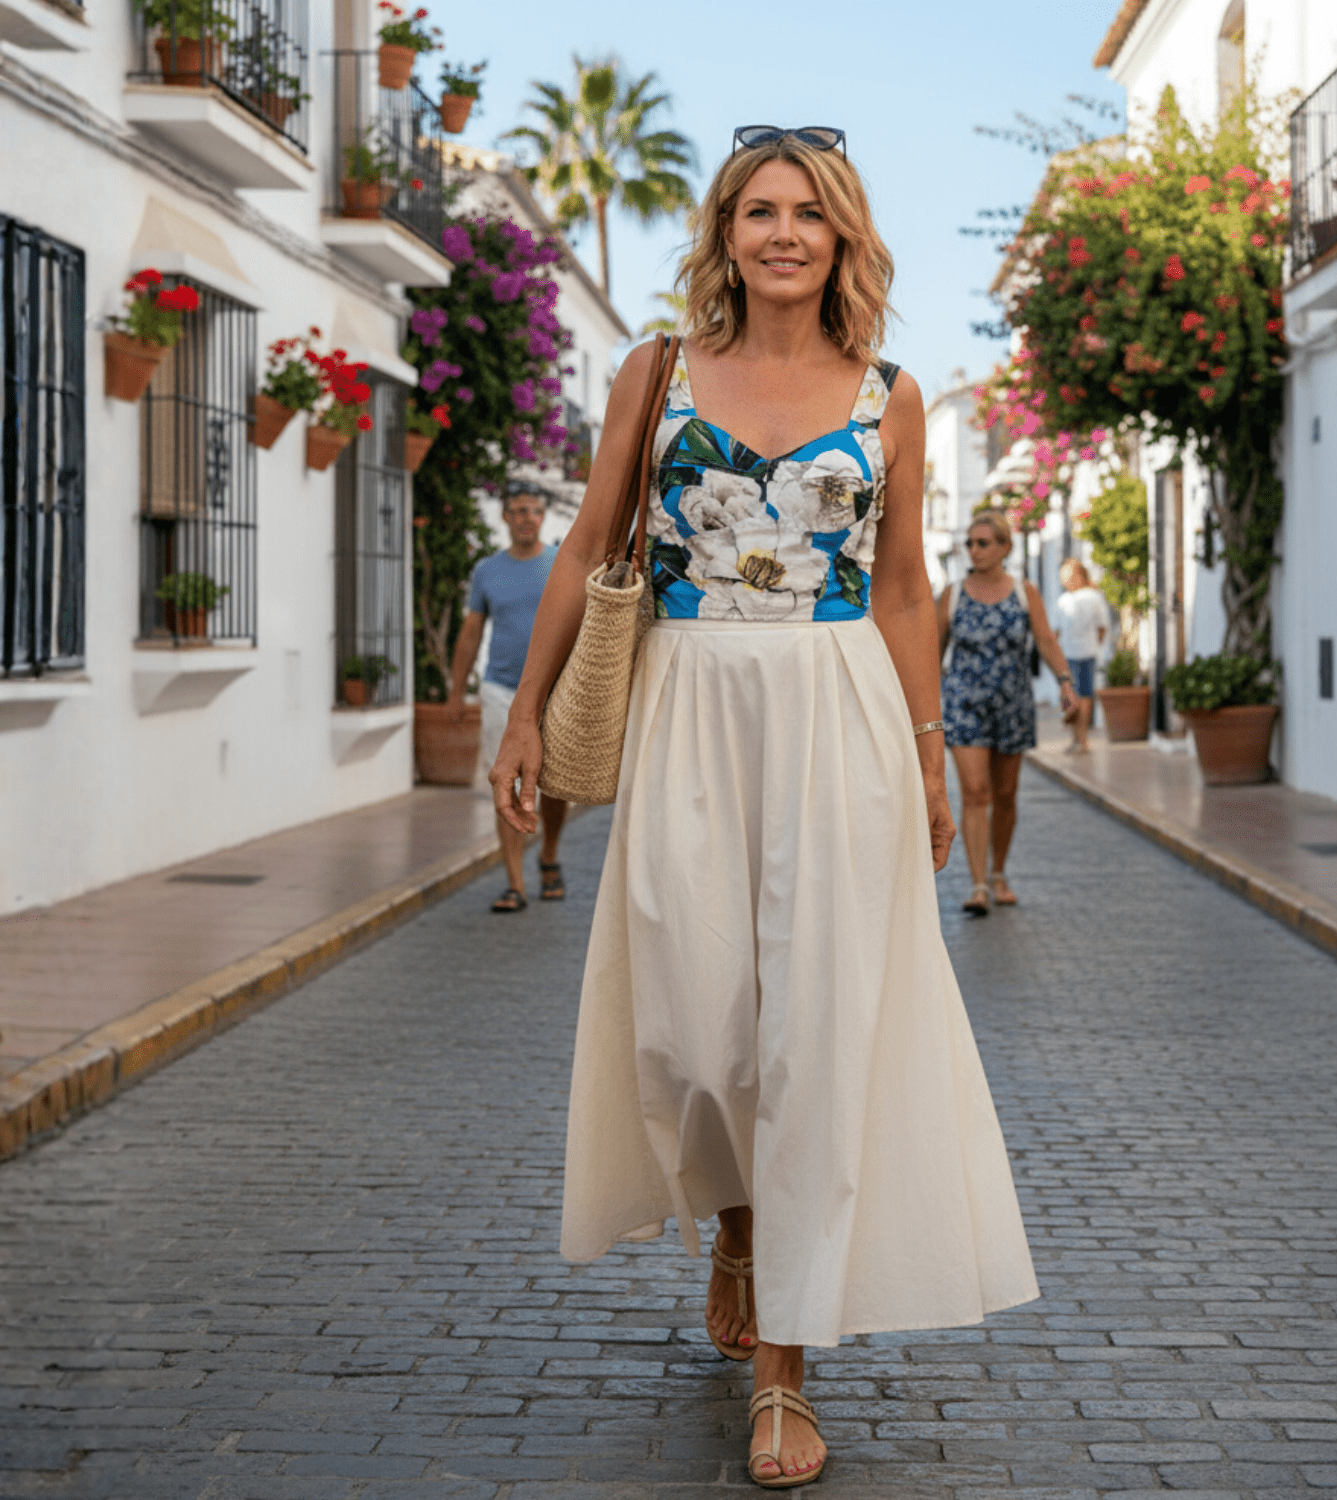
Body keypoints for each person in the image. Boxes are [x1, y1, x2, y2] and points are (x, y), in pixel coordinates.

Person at [489, 127, 1038, 1489]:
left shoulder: (893, 393)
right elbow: (587, 539)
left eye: (808, 213)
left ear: (843, 236)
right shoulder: (653, 373)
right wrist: (521, 710)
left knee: (810, 1030)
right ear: (725, 230)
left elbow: (904, 587)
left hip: (840, 709)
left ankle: (786, 1370)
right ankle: (734, 1217)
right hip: (687, 706)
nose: (782, 233)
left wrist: (927, 746)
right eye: (757, 210)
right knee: (694, 1023)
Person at [936, 510, 1079, 913]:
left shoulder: (1023, 592)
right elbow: (930, 653)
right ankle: (978, 884)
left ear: (1004, 547)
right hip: (964, 704)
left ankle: (999, 873)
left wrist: (1066, 682)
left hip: (1012, 704)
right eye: (970, 543)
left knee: (1006, 794)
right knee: (974, 792)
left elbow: (1046, 640)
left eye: (983, 543)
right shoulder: (953, 594)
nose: (974, 550)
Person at [448, 487, 568, 913]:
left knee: (555, 784)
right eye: (519, 511)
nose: (527, 518)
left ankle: (549, 852)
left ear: (543, 518)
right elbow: (470, 633)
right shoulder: (487, 571)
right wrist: (456, 690)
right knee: (506, 779)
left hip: (555, 689)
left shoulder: (559, 565)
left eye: (535, 511)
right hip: (501, 689)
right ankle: (515, 883)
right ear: (505, 517)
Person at [1054, 558, 1111, 753]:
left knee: (1081, 695)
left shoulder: (1089, 597)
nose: (1065, 581)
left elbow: (1101, 628)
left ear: (1079, 576)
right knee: (1074, 695)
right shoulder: (1068, 599)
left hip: (1081, 654)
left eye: (1068, 577)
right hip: (1072, 653)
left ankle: (1081, 740)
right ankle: (1077, 739)